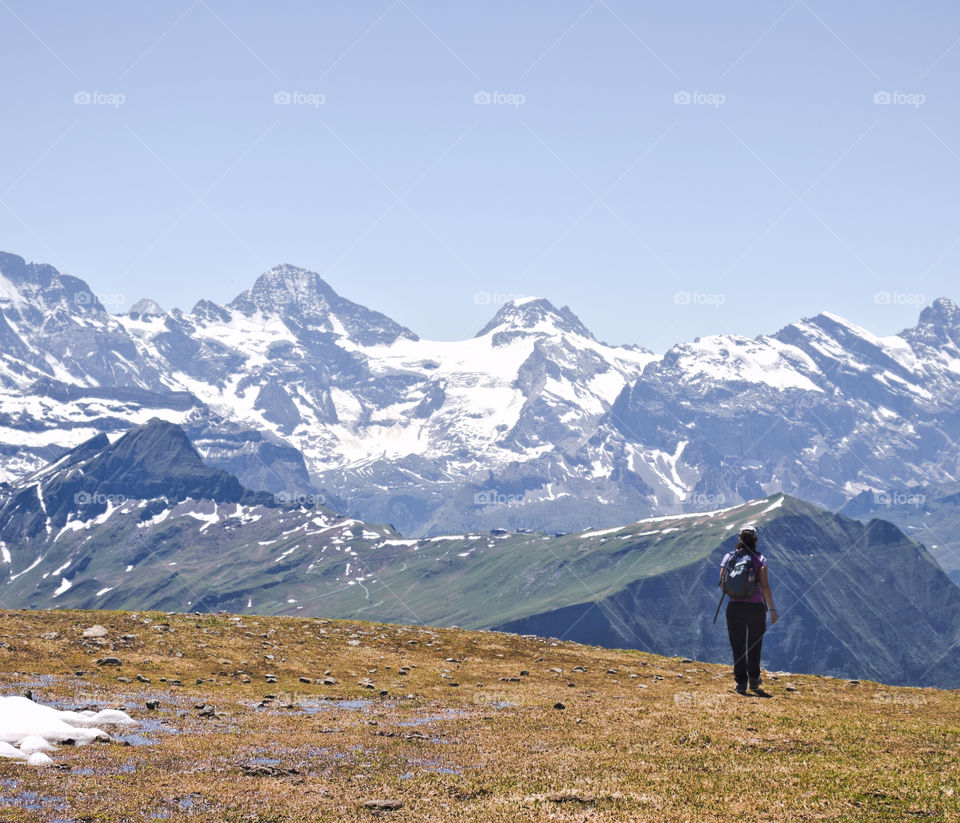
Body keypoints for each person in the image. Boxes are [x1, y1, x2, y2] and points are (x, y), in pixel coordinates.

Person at [720, 526, 777, 694]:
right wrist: (772, 609)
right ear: (756, 540)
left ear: (739, 538)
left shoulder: (729, 557)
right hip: (756, 608)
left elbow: (722, 579)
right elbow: (765, 586)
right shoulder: (761, 560)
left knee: (737, 646)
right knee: (754, 645)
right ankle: (753, 679)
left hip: (734, 607)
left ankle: (741, 683)